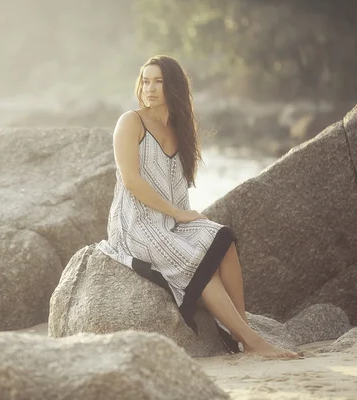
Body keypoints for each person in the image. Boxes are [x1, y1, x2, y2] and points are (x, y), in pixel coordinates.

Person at [97, 55, 298, 359]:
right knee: (194, 260)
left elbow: (175, 187)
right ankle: (254, 342)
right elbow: (131, 181)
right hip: (135, 225)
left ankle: (240, 330)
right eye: (145, 81)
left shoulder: (180, 132)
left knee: (222, 239)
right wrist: (178, 215)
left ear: (173, 86)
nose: (149, 88)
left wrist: (185, 220)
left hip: (168, 221)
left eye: (158, 81)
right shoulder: (131, 121)